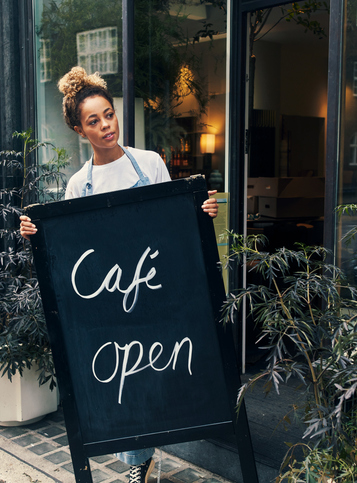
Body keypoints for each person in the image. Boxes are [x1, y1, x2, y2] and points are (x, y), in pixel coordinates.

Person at [19, 66, 218, 483]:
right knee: (129, 381)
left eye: (108, 114)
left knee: (162, 373)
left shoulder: (149, 164)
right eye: (94, 121)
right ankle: (136, 464)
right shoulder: (79, 186)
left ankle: (155, 447)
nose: (106, 125)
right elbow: (69, 249)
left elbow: (173, 224)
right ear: (79, 129)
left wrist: (201, 213)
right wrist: (36, 232)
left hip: (155, 287)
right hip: (113, 299)